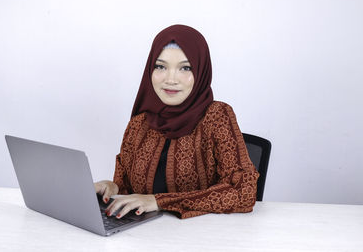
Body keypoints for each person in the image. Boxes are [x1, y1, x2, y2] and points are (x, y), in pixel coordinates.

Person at [94, 24, 259, 219]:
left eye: (185, 68)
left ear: (200, 71)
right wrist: (112, 188)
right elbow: (129, 191)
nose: (171, 79)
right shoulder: (139, 124)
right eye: (161, 66)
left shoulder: (216, 116)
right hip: (142, 238)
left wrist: (159, 201)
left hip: (203, 239)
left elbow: (243, 192)